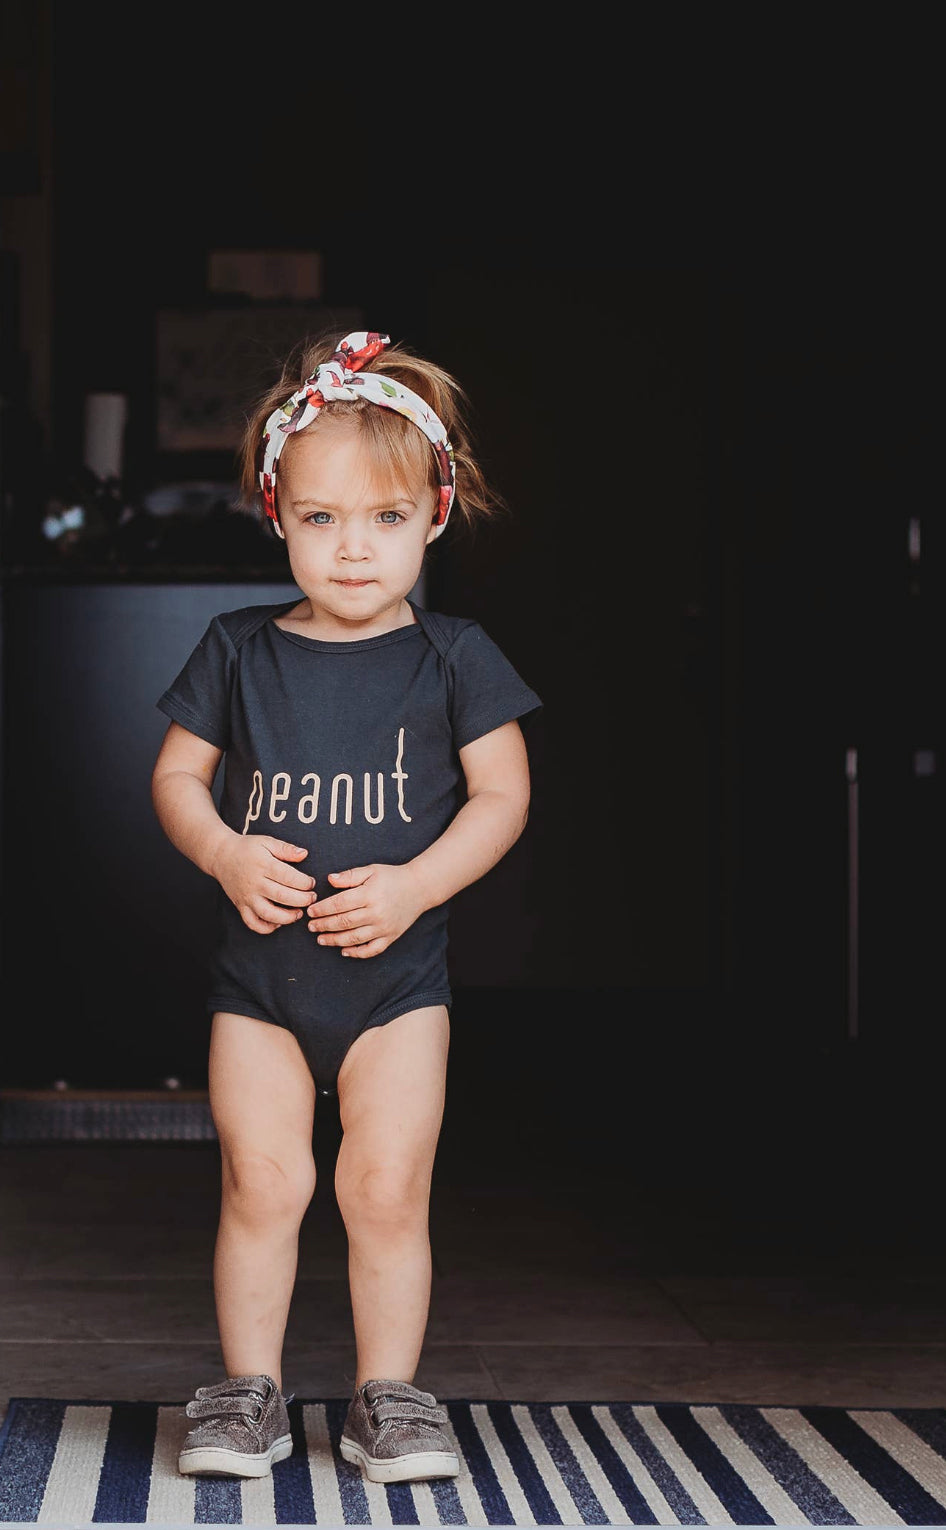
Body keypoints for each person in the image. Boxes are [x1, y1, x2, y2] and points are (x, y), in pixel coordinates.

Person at [150, 329, 542, 1485]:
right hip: (260, 987)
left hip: (397, 989)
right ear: (277, 514)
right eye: (320, 517)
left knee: (384, 1189)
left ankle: (389, 1399)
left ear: (435, 515)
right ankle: (249, 1396)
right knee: (262, 1182)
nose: (353, 547)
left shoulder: (456, 657)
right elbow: (175, 779)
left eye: (384, 517)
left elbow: (504, 797)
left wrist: (416, 885)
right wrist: (223, 852)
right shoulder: (236, 650)